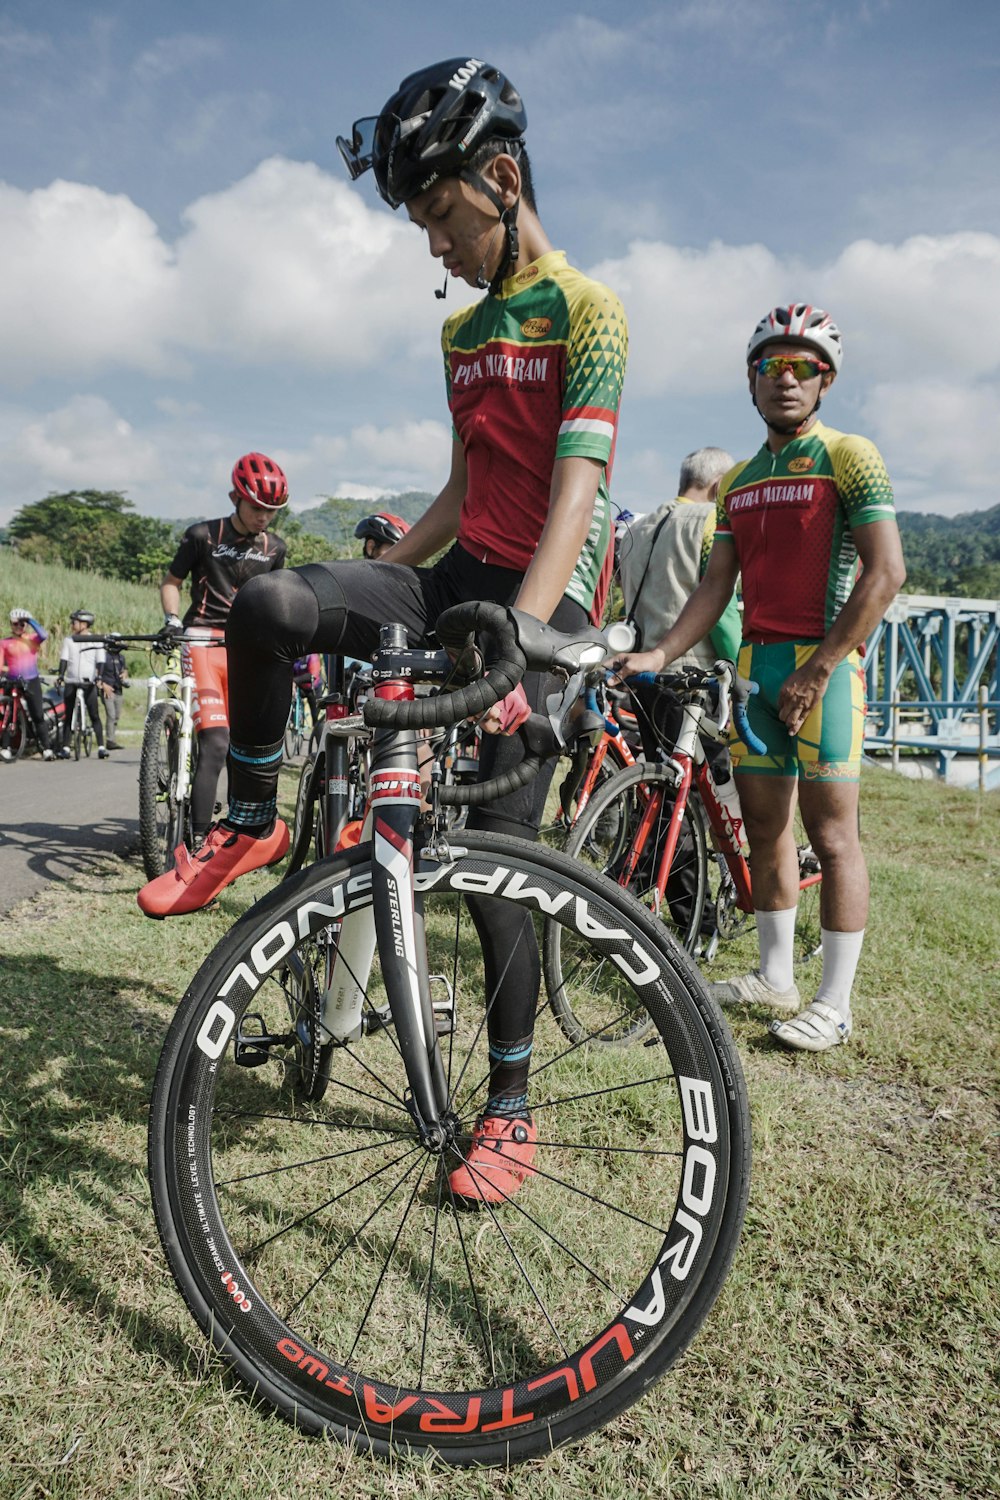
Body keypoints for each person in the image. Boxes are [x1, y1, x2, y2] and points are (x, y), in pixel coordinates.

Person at [137, 57, 629, 1204]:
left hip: (546, 598)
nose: (434, 247)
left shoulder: (589, 309)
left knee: (503, 864)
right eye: (420, 223)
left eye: (443, 218)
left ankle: (507, 1111)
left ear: (502, 179)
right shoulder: (461, 340)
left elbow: (575, 487)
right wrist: (360, 576)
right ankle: (250, 820)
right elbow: (462, 496)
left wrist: (522, 635)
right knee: (270, 603)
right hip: (456, 570)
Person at [614, 303, 905, 1053]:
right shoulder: (739, 481)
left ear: (825, 380)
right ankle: (776, 976)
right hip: (754, 667)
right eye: (772, 365)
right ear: (751, 379)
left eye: (803, 366)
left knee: (831, 834)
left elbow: (885, 573)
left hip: (826, 669)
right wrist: (658, 651)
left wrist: (819, 668)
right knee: (766, 829)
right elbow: (714, 589)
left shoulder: (850, 456)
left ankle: (833, 1004)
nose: (787, 377)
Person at [157, 452, 288, 846]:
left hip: (248, 649)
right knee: (215, 742)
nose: (263, 516)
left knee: (243, 747)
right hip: (202, 643)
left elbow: (280, 599)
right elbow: (171, 581)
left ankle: (236, 833)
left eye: (272, 510)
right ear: (236, 497)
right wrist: (171, 620)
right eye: (256, 507)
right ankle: (198, 843)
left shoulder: (275, 547)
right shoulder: (202, 536)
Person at [617, 446, 741, 760]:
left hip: (642, 672)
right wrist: (741, 668)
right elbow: (721, 606)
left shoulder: (638, 528)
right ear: (718, 486)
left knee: (658, 776)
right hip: (693, 675)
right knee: (697, 785)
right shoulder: (711, 521)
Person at [0, 608, 57, 760]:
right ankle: (6, 747)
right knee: (7, 713)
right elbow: (0, 666)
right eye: (15, 624)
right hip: (12, 681)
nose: (18, 626)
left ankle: (46, 748)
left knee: (37, 715)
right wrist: (6, 671)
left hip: (31, 680)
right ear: (10, 625)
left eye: (22, 624)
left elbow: (44, 635)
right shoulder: (4, 643)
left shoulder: (31, 639)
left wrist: (30, 619)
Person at [58, 610, 107, 758]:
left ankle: (101, 746)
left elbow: (101, 661)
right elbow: (64, 659)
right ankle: (66, 747)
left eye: (75, 622)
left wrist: (99, 677)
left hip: (89, 682)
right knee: (68, 715)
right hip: (72, 681)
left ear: (84, 624)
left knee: (94, 715)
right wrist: (61, 675)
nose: (72, 625)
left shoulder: (96, 640)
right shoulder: (69, 640)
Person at [98, 642, 130, 750]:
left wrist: (125, 673)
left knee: (116, 716)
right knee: (111, 715)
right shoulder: (104, 657)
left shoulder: (121, 658)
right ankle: (109, 741)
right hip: (108, 690)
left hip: (118, 690)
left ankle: (112, 738)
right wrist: (103, 685)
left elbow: (125, 669)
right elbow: (97, 673)